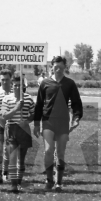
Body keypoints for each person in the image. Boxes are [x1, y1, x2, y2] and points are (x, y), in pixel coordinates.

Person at [34, 56, 83, 191]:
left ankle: (58, 182)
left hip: (63, 122)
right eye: (56, 67)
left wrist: (76, 118)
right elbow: (38, 104)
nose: (58, 70)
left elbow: (76, 103)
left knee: (60, 153)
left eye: (61, 67)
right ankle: (49, 180)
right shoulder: (45, 83)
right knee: (48, 150)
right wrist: (37, 123)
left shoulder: (70, 84)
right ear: (52, 68)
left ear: (65, 68)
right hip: (48, 121)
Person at [1, 74, 35, 193]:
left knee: (21, 159)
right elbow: (4, 116)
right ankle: (14, 185)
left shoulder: (29, 98)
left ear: (23, 86)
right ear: (11, 85)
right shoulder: (7, 98)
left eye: (19, 85)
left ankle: (19, 179)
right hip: (11, 128)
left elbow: (33, 114)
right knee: (12, 158)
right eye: (15, 85)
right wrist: (16, 108)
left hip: (24, 130)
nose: (16, 88)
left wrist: (27, 121)